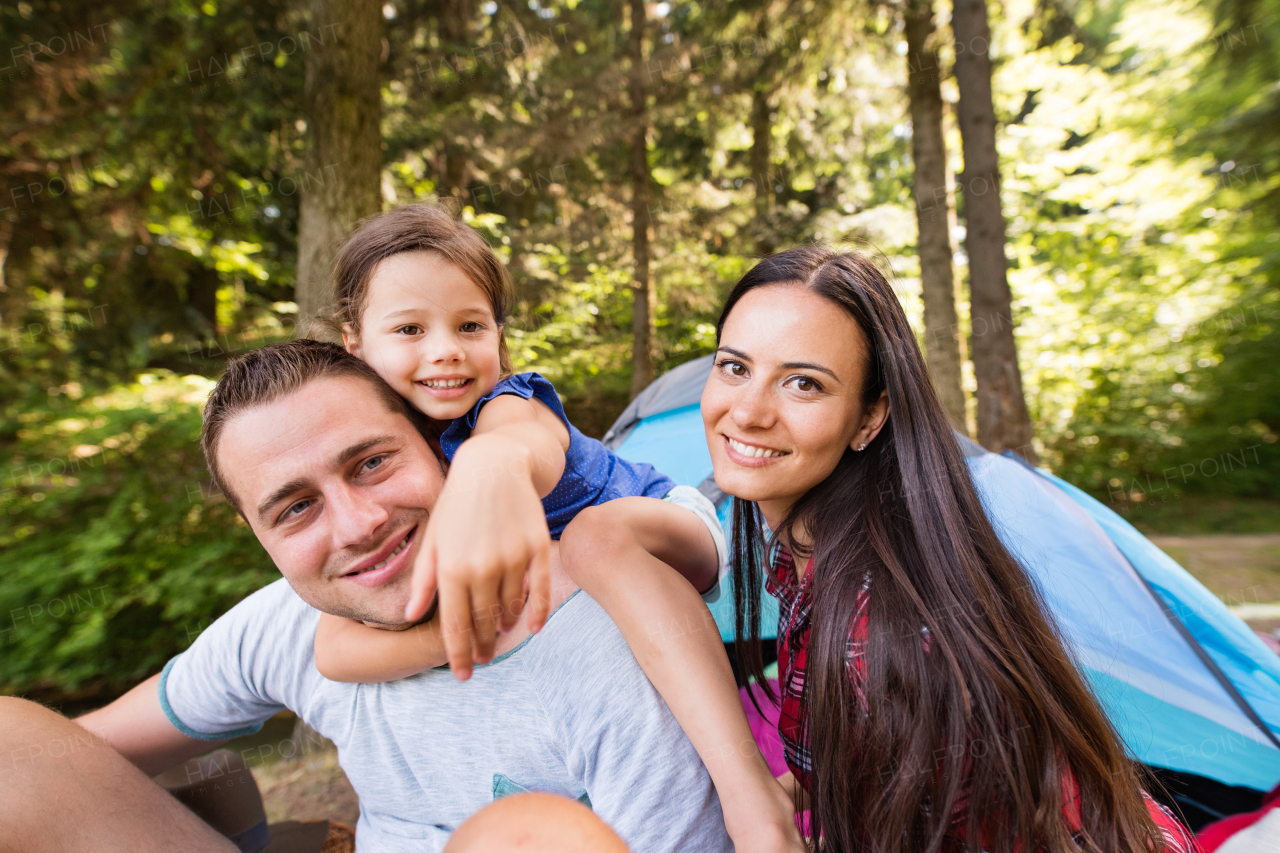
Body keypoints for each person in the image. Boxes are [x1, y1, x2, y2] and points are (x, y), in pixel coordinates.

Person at [0, 341, 733, 853]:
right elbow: (62, 756)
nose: (360, 523)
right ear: (259, 536)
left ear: (437, 444)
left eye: (372, 462)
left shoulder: (598, 633)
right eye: (294, 508)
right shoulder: (285, 627)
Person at [310, 203, 799, 851]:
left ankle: (751, 796)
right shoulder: (389, 453)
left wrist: (496, 461)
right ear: (354, 342)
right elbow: (334, 651)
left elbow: (523, 444)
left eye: (470, 324)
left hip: (670, 524)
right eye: (408, 328)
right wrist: (479, 623)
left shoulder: (512, 402)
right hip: (566, 581)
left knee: (593, 540)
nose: (446, 349)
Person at [701, 247, 1198, 852]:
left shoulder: (877, 624)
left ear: (869, 418)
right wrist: (756, 798)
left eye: (803, 383)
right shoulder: (823, 556)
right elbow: (855, 760)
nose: (748, 412)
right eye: (733, 367)